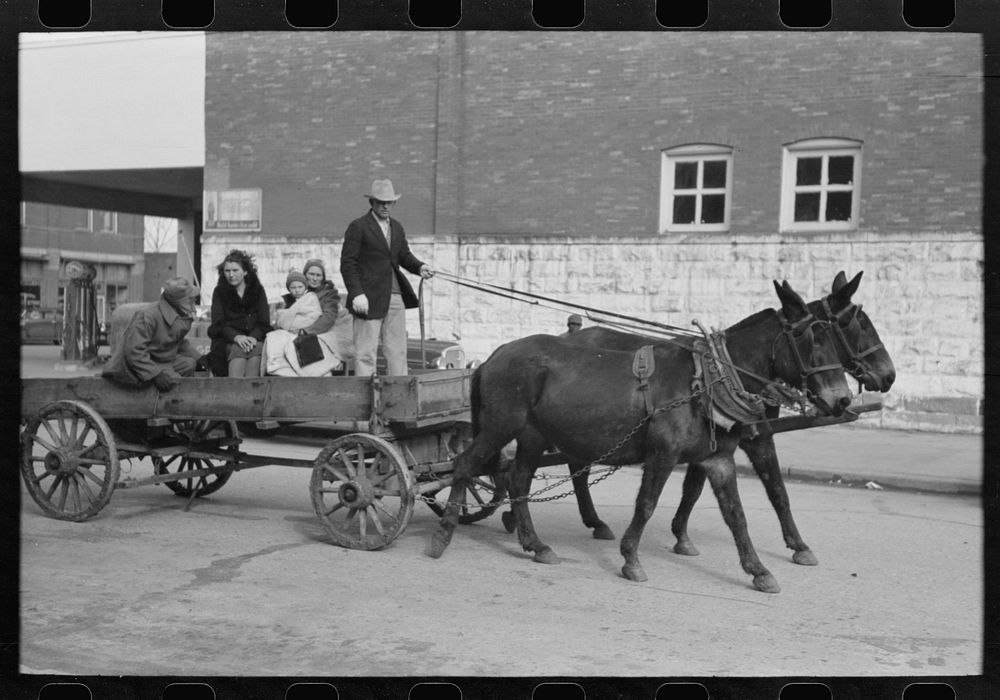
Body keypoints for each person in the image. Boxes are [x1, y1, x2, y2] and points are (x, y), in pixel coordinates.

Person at [340, 178, 434, 377]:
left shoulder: (397, 228)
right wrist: (357, 294)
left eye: (389, 202)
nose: (385, 206)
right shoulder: (358, 227)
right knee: (366, 354)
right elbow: (348, 264)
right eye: (381, 202)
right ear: (372, 203)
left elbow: (404, 256)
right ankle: (365, 402)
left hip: (396, 297)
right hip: (368, 299)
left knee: (398, 352)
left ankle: (397, 401)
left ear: (394, 203)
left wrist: (420, 267)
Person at [102, 277, 202, 392]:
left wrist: (202, 359)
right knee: (177, 385)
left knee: (189, 364)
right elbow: (134, 351)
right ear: (179, 302)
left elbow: (179, 342)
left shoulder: (179, 314)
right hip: (138, 366)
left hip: (162, 360)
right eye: (191, 300)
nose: (193, 304)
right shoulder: (148, 316)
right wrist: (155, 374)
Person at [206, 249, 271, 377]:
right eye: (227, 271)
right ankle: (235, 393)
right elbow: (218, 324)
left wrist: (253, 338)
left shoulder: (258, 290)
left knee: (257, 348)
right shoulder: (219, 291)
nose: (231, 275)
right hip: (227, 340)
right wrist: (237, 337)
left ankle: (251, 394)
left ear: (245, 271)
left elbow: (264, 322)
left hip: (254, 339)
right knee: (238, 350)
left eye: (235, 270)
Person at [262, 268, 339, 376]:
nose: (297, 290)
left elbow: (314, 315)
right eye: (293, 288)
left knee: (301, 345)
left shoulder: (313, 297)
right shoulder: (288, 300)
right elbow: (283, 316)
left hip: (312, 330)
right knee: (275, 339)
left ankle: (310, 373)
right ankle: (282, 369)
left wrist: (303, 328)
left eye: (300, 287)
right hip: (291, 331)